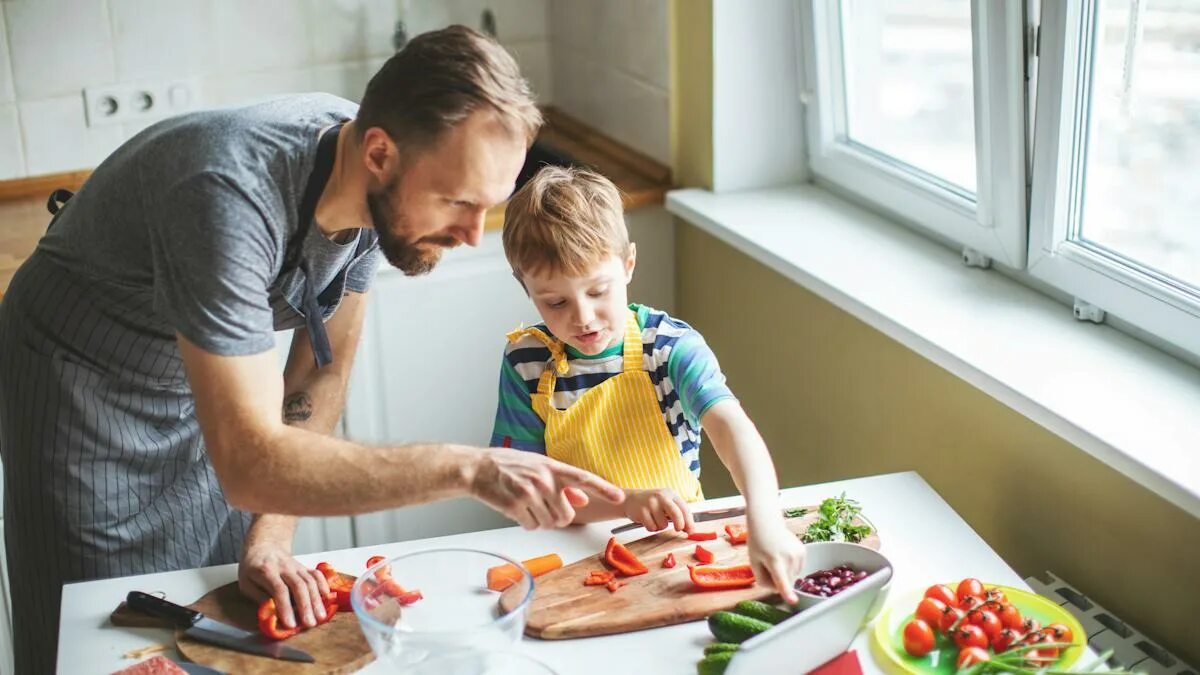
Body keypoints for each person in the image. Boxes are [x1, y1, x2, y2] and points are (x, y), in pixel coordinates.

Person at [0, 26, 623, 673]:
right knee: (104, 633)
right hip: (82, 389)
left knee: (204, 618)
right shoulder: (224, 197)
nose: (471, 236)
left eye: (486, 207)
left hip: (196, 381)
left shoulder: (379, 186)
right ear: (378, 153)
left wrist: (269, 535)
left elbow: (319, 370)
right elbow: (249, 463)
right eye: (458, 203)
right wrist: (471, 468)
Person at [490, 166, 806, 602]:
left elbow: (731, 428)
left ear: (628, 265)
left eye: (598, 291)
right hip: (570, 556)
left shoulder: (670, 347)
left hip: (679, 546)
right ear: (526, 288)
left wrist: (765, 519)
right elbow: (524, 489)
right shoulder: (525, 362)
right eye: (556, 301)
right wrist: (626, 503)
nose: (582, 317)